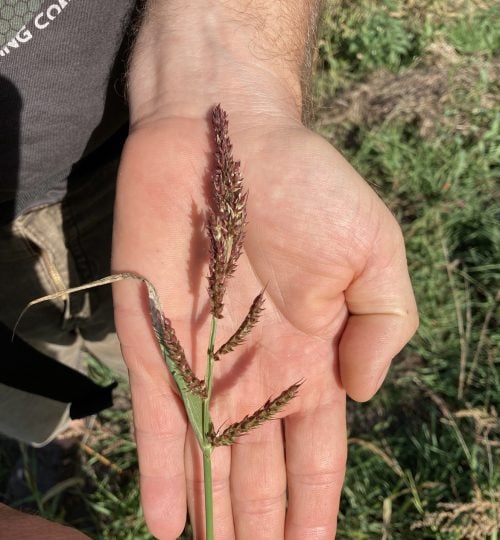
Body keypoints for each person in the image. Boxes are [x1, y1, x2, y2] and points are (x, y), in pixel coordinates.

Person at [0, 1, 418, 538]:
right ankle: (63, 430)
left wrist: (230, 67)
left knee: (151, 355)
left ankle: (100, 410)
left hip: (140, 167)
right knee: (38, 365)